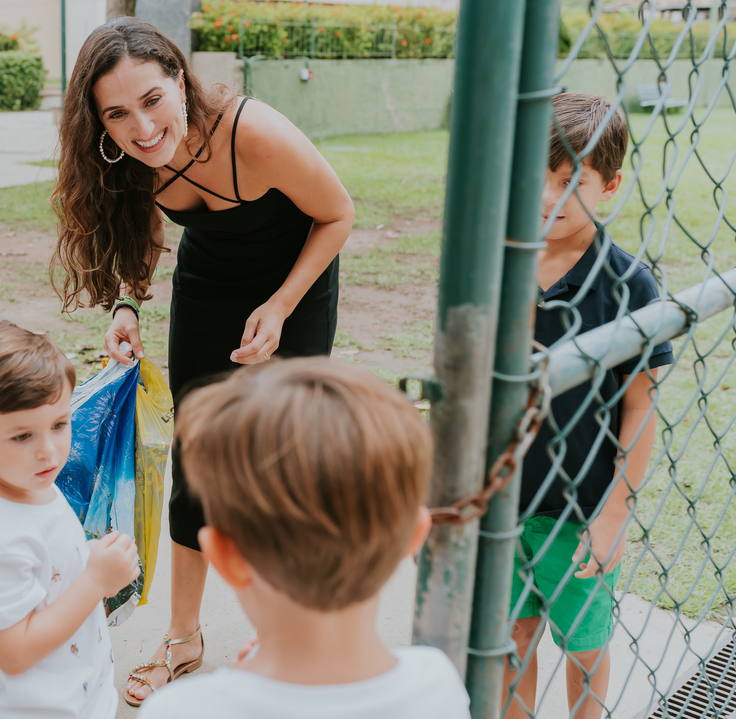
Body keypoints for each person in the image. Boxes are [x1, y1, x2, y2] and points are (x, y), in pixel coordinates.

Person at [51, 16, 354, 705]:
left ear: (180, 80)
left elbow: (338, 214)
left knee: (284, 467)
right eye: (118, 114)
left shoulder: (255, 134)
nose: (142, 127)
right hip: (208, 291)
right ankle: (183, 638)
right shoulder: (120, 156)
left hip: (295, 290)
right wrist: (125, 305)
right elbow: (134, 236)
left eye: (153, 99)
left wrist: (279, 307)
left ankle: (292, 637)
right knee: (197, 465)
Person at [136, 358, 470, 718]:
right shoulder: (437, 686)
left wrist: (242, 677)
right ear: (415, 536)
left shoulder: (179, 710)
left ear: (223, 557)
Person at [504, 93, 674, 719]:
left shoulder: (630, 283)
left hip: (577, 509)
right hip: (497, 500)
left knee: (583, 646)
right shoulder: (496, 265)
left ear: (610, 185)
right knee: (508, 643)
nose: (547, 197)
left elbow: (639, 406)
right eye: (533, 177)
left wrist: (613, 517)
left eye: (568, 179)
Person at [0, 321, 140, 719]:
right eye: (22, 437)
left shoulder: (32, 486)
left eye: (59, 425)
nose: (49, 452)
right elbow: (13, 654)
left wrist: (87, 558)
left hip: (72, 690)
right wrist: (95, 580)